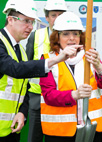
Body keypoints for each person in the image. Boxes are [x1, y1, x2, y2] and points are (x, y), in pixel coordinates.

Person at [0, 0, 81, 141]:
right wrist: (55, 59)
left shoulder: (20, 50)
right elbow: (15, 69)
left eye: (32, 22)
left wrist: (22, 111)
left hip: (11, 126)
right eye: (26, 21)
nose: (30, 27)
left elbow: (23, 85)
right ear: (11, 20)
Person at [40, 11, 102, 142]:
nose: (72, 38)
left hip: (91, 129)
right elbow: (48, 95)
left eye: (76, 33)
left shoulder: (90, 56)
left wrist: (99, 66)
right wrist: (75, 95)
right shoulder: (49, 59)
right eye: (66, 34)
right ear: (57, 37)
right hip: (60, 133)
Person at [26, 0, 68, 141]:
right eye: (53, 15)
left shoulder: (71, 38)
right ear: (47, 17)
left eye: (60, 15)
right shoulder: (35, 36)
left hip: (60, 99)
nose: (56, 18)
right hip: (37, 99)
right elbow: (26, 67)